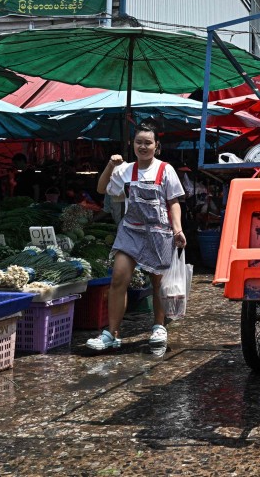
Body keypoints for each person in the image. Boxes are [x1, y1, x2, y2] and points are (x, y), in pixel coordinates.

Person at [87, 120, 186, 351]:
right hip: (131, 231)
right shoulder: (124, 170)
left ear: (156, 146)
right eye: (139, 142)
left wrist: (178, 229)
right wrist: (110, 166)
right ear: (133, 144)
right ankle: (111, 334)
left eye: (148, 143)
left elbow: (173, 202)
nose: (143, 146)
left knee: (158, 283)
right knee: (119, 277)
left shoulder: (165, 169)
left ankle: (159, 326)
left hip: (159, 233)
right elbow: (102, 189)